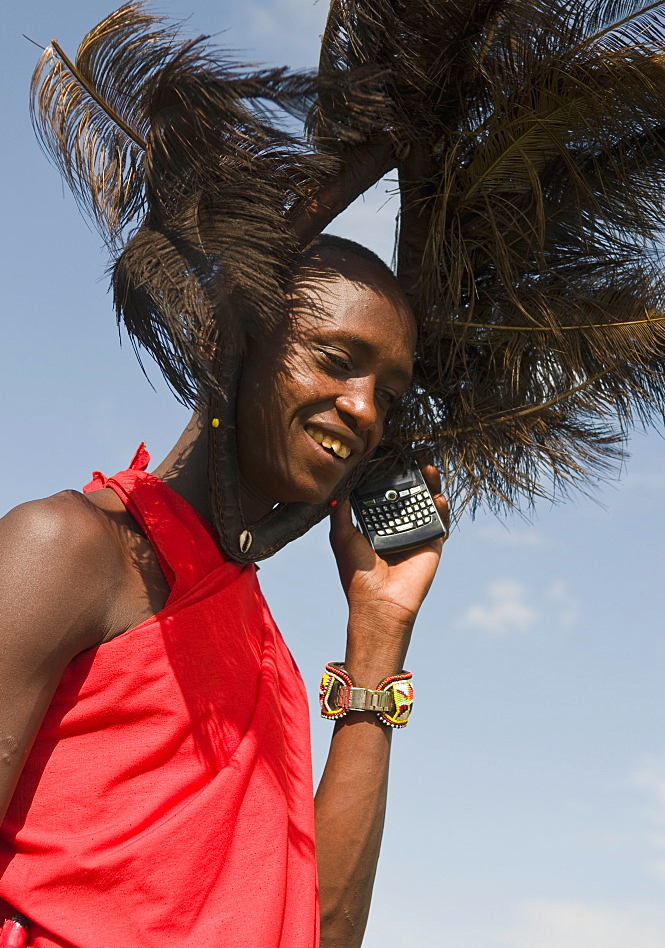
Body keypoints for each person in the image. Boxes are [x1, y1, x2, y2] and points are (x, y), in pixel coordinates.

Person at [0, 237, 448, 948]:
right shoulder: (67, 549)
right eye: (336, 361)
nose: (365, 410)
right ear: (227, 343)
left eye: (388, 397)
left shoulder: (265, 653)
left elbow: (321, 934)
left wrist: (379, 630)